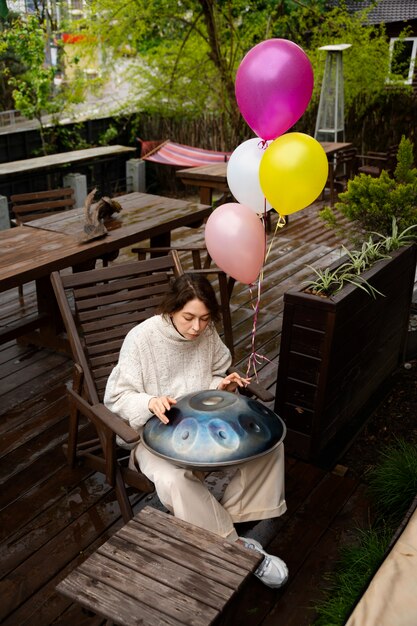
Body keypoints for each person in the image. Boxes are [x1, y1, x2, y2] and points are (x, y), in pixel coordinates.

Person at [104, 273, 288, 588]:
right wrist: (149, 402)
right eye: (188, 317)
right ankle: (235, 546)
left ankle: (226, 521)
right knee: (174, 478)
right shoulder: (141, 339)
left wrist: (223, 385)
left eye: (204, 319)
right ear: (170, 310)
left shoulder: (205, 332)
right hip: (153, 437)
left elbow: (216, 370)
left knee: (269, 447)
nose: (196, 328)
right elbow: (117, 397)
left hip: (200, 430)